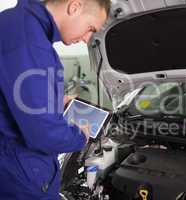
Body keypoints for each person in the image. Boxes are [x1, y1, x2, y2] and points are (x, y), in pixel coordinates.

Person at [0, 0, 110, 199]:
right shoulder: (30, 43)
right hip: (19, 176)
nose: (87, 39)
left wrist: (53, 103)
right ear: (75, 6)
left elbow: (14, 96)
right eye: (90, 28)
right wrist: (81, 135)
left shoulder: (15, 24)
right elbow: (45, 135)